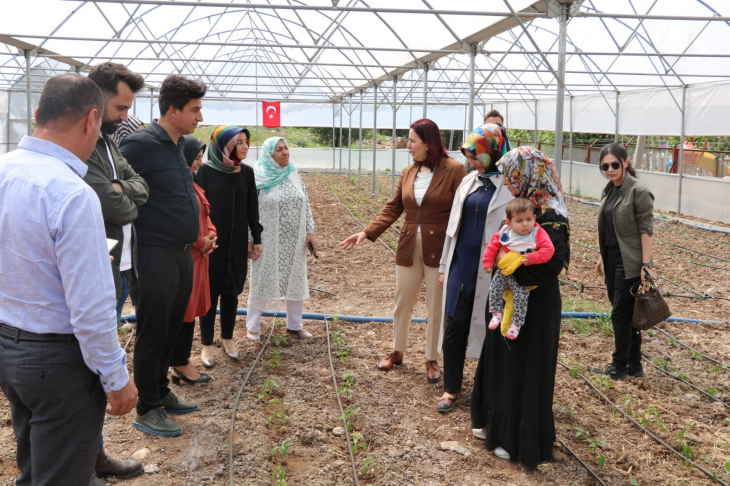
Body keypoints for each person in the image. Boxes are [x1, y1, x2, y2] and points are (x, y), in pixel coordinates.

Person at [0, 74, 137, 486]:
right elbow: (91, 308)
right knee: (62, 476)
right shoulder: (71, 194)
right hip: (57, 361)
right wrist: (116, 378)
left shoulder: (5, 169)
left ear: (38, 114)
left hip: (10, 346)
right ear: (92, 120)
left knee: (36, 462)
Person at [340, 119, 466, 383]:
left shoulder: (454, 170)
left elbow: (460, 212)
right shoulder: (409, 172)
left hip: (439, 247)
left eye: (412, 141)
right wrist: (366, 232)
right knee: (403, 301)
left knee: (435, 305)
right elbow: (393, 207)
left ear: (428, 143)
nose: (407, 146)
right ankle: (398, 351)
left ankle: (432, 358)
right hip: (408, 244)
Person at [471, 145, 569, 467]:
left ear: (529, 176)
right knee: (503, 363)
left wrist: (512, 261)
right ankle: (495, 427)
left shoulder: (551, 215)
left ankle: (517, 440)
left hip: (535, 307)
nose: (509, 184)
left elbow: (551, 264)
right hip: (507, 298)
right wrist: (500, 257)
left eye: (513, 178)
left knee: (524, 370)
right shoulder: (518, 208)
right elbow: (497, 245)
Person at [120, 74, 206, 437]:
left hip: (182, 253)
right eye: (194, 110)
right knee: (153, 331)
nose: (199, 117)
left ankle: (161, 392)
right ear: (173, 110)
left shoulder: (177, 144)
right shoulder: (141, 144)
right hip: (154, 253)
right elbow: (116, 185)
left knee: (172, 326)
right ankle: (147, 409)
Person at [84, 62, 147, 485]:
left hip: (122, 263)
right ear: (96, 99)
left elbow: (137, 187)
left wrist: (124, 190)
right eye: (120, 106)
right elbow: (115, 203)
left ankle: (92, 452)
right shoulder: (83, 145)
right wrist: (123, 193)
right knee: (87, 365)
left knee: (95, 358)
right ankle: (83, 457)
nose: (126, 116)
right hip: (99, 264)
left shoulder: (109, 142)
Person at [436, 123, 511, 412]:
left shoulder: (509, 186)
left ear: (494, 152)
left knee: (488, 327)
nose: (472, 161)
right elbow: (452, 228)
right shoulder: (468, 181)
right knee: (455, 325)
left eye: (477, 155)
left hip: (492, 270)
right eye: (469, 156)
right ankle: (450, 389)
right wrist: (444, 266)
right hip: (461, 265)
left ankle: (482, 387)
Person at [196, 126, 262, 367]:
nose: (245, 147)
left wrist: (256, 237)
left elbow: (252, 208)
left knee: (232, 291)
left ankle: (228, 338)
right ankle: (206, 344)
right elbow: (198, 209)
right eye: (240, 142)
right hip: (212, 244)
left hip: (236, 244)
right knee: (210, 293)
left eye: (246, 142)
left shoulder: (245, 173)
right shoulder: (204, 172)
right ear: (225, 146)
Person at [246, 137, 316, 340]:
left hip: (295, 239)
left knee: (295, 278)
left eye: (286, 148)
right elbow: (249, 212)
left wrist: (310, 231)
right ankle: (252, 326)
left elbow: (306, 202)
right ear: (269, 155)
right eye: (279, 150)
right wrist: (251, 238)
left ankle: (295, 324)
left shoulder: (293, 172)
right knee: (262, 279)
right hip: (267, 239)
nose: (285, 152)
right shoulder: (258, 178)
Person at [595, 143, 654, 381]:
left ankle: (619, 366)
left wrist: (646, 265)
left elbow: (646, 230)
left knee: (620, 314)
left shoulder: (638, 191)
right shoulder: (609, 190)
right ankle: (635, 365)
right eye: (605, 166)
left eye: (614, 164)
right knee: (627, 313)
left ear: (626, 162)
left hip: (629, 261)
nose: (610, 169)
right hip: (611, 257)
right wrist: (602, 256)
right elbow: (610, 228)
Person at [169, 135, 216, 385]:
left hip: (199, 256)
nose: (199, 163)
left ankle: (182, 359)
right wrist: (202, 242)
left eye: (200, 158)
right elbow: (179, 223)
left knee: (190, 310)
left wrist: (211, 234)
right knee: (183, 310)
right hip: (190, 255)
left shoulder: (191, 183)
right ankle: (179, 363)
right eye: (196, 158)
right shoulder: (178, 186)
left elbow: (205, 216)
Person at [483, 197, 555, 340]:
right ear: (508, 222)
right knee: (495, 288)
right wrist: (487, 262)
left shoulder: (537, 233)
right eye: (519, 221)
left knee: (521, 298)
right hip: (505, 270)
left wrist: (533, 258)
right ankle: (496, 313)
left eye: (529, 219)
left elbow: (549, 249)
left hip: (522, 273)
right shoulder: (505, 232)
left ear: (534, 218)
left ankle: (516, 324)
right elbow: (492, 246)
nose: (525, 224)